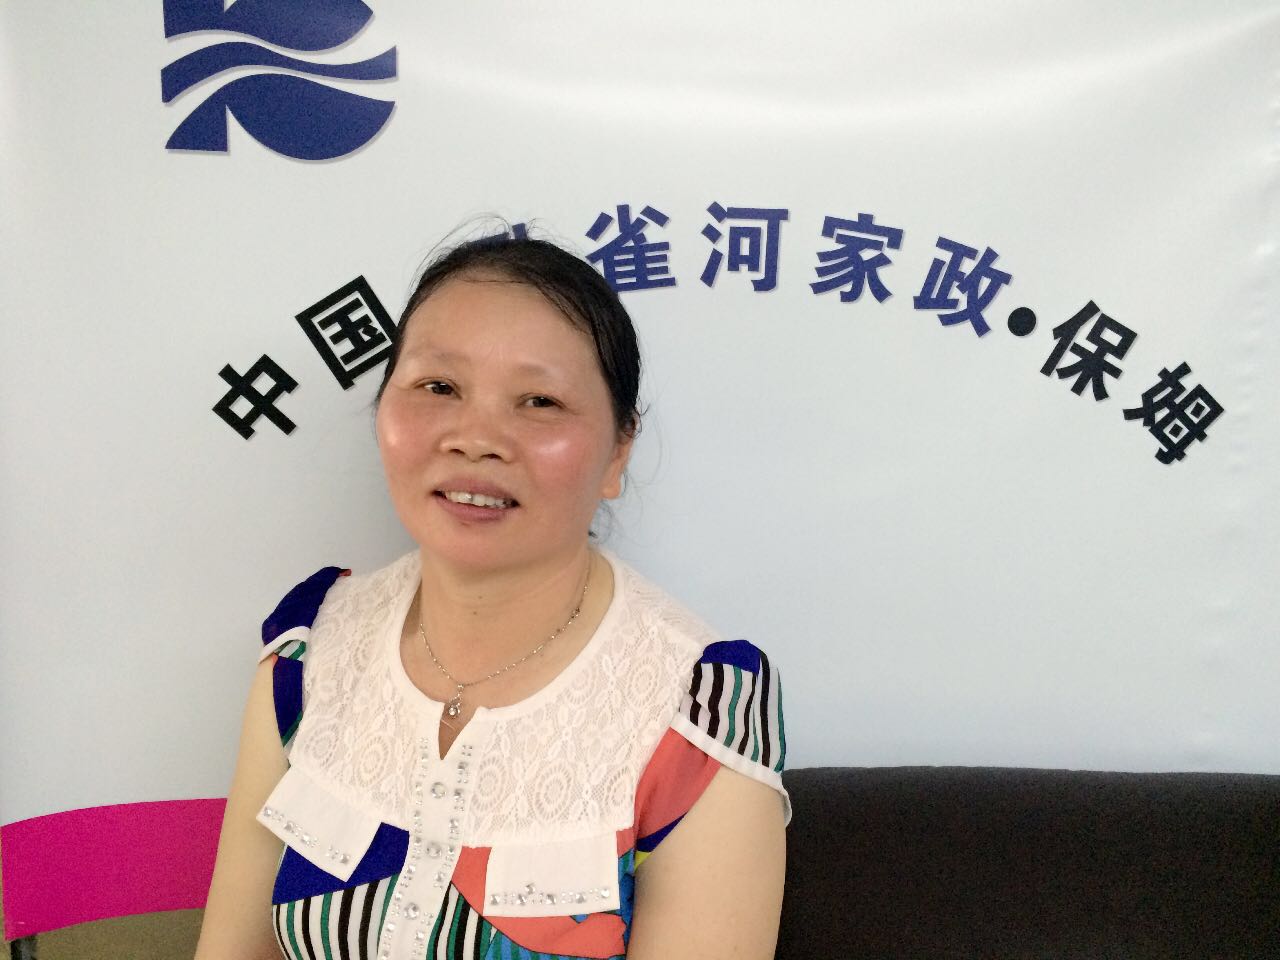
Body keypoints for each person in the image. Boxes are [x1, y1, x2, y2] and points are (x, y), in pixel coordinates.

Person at [195, 233, 790, 960]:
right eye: (438, 387)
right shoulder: (309, 653)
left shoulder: (696, 709)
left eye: (540, 401)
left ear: (618, 451)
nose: (475, 439)